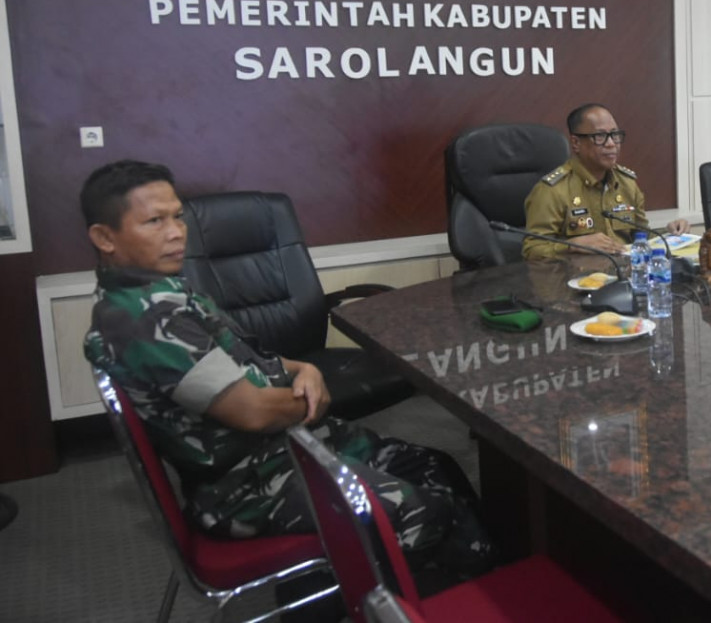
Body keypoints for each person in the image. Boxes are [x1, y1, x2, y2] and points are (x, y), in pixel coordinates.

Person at [81, 160, 493, 594]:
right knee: (427, 510)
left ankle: (474, 577)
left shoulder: (167, 291)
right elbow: (255, 412)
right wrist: (315, 397)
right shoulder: (143, 319)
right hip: (248, 485)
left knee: (436, 465)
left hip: (289, 449)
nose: (175, 231)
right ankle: (439, 595)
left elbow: (249, 360)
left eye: (177, 216)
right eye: (154, 221)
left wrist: (306, 369)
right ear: (105, 238)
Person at [522, 104, 688, 260]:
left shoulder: (626, 183)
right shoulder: (553, 191)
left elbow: (641, 234)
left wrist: (670, 233)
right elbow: (532, 250)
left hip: (626, 276)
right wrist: (571, 246)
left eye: (615, 135)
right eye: (600, 136)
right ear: (576, 143)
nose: (611, 144)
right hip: (577, 281)